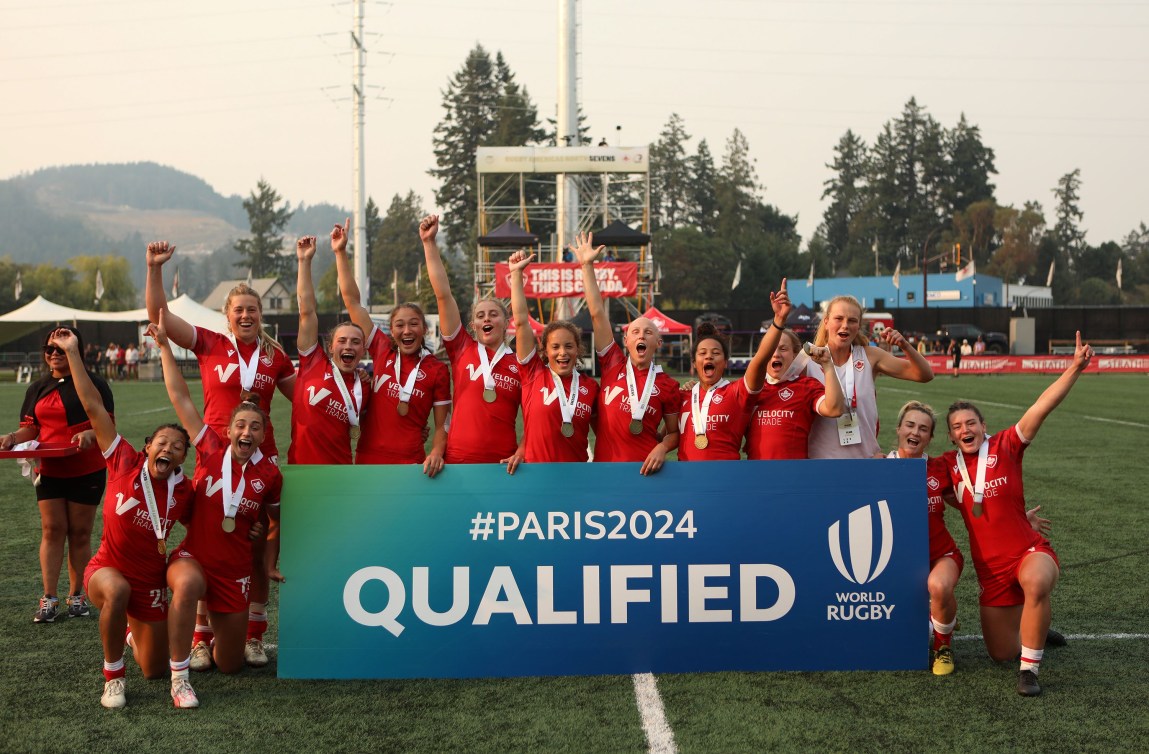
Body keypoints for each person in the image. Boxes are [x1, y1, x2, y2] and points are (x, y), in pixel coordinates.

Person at [146, 240, 296, 667]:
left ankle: (253, 633)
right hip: (213, 454)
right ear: (227, 317)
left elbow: (307, 399)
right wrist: (154, 269)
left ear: (261, 314)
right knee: (209, 541)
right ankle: (200, 636)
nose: (246, 315)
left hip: (259, 459)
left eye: (253, 309)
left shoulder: (275, 357)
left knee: (258, 543)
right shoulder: (210, 343)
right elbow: (160, 316)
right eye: (239, 310)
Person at [48, 327, 194, 709]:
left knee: (156, 670)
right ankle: (113, 677)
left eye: (177, 447)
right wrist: (73, 352)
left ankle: (132, 634)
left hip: (150, 583)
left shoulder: (184, 490)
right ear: (147, 446)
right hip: (107, 569)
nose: (169, 448)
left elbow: (205, 529)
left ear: (182, 460)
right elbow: (94, 406)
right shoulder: (123, 459)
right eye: (162, 442)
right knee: (116, 591)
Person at [941, 331, 1093, 697]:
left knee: (1038, 583)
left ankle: (1030, 671)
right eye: (958, 427)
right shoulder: (946, 466)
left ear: (983, 426)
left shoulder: (1007, 445)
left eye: (971, 423)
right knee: (1000, 653)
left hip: (1027, 552)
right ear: (951, 437)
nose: (966, 429)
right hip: (990, 571)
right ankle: (1036, 628)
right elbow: (931, 489)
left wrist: (1073, 368)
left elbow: (1041, 406)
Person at [153, 313, 282, 707]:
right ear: (228, 430)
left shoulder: (271, 474)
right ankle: (187, 657)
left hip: (234, 571)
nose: (246, 433)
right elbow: (180, 397)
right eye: (240, 425)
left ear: (264, 432)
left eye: (255, 428)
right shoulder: (209, 447)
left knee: (230, 666)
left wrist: (270, 560)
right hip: (195, 557)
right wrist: (164, 349)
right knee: (190, 583)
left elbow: (274, 522)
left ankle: (219, 640)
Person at [1, 326, 114, 623]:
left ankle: (77, 596)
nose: (53, 354)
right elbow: (31, 427)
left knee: (79, 533)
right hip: (49, 468)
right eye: (49, 349)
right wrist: (13, 437)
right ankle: (48, 597)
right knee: (52, 529)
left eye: (61, 349)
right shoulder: (36, 387)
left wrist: (90, 434)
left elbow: (108, 424)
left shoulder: (94, 384)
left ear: (76, 350)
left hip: (87, 468)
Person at [331, 219, 450, 474]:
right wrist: (341, 252)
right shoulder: (382, 348)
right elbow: (352, 301)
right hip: (367, 460)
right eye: (400, 325)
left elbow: (442, 425)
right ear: (391, 330)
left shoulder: (437, 370)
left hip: (411, 464)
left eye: (414, 324)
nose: (407, 330)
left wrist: (437, 451)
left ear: (425, 329)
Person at [572, 231, 679, 474]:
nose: (641, 335)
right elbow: (597, 313)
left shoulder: (668, 385)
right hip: (605, 473)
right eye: (635, 332)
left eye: (648, 333)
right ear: (626, 341)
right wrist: (587, 265)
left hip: (646, 474)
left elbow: (674, 433)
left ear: (658, 343)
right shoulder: (612, 363)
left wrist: (662, 447)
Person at [422, 214, 523, 465]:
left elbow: (534, 419)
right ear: (473, 325)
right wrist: (429, 244)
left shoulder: (521, 363)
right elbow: (443, 296)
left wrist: (521, 452)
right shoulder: (462, 349)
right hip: (459, 460)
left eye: (493, 314)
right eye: (480, 315)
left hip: (504, 463)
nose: (486, 318)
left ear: (506, 321)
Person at [886, 401, 962, 676]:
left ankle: (942, 647)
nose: (915, 432)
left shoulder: (938, 467)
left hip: (940, 555)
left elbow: (971, 506)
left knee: (939, 586)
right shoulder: (878, 468)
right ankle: (944, 615)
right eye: (910, 425)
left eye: (923, 429)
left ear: (930, 437)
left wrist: (1019, 516)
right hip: (896, 562)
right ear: (898, 429)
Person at [806, 296, 933, 459]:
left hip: (866, 462)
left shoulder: (869, 356)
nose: (845, 325)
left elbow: (924, 374)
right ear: (826, 321)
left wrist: (905, 345)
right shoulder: (808, 359)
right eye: (839, 318)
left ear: (858, 325)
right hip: (820, 464)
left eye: (852, 320)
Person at [678, 280, 791, 461]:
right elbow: (668, 434)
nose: (708, 357)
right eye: (702, 353)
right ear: (694, 362)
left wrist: (778, 321)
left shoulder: (737, 392)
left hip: (727, 480)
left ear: (725, 363)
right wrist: (661, 448)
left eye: (716, 353)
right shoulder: (683, 396)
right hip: (689, 481)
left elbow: (759, 361)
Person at [506, 248, 599, 468]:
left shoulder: (590, 387)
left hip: (576, 478)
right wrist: (517, 275)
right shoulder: (532, 373)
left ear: (578, 350)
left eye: (569, 346)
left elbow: (606, 434)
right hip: (537, 477)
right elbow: (521, 321)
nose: (562, 353)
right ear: (545, 351)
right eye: (555, 347)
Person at [289, 234, 368, 466]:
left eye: (355, 342)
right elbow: (306, 312)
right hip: (300, 471)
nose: (348, 346)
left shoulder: (364, 385)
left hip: (340, 474)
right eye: (342, 340)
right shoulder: (313, 361)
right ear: (330, 346)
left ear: (363, 350)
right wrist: (304, 262)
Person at [744, 329, 845, 460]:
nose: (776, 354)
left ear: (795, 355)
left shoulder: (807, 386)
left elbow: (834, 409)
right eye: (770, 349)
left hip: (795, 473)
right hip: (757, 473)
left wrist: (827, 365)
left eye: (783, 349)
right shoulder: (750, 390)